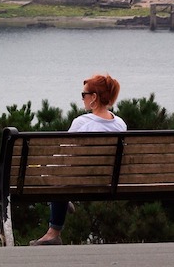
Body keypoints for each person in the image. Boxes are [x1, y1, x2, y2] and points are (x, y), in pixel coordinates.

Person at [29, 73, 127, 246]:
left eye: (84, 95)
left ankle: (53, 232)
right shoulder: (120, 124)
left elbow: (65, 156)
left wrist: (48, 166)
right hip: (109, 180)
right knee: (59, 175)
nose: (82, 98)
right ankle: (63, 200)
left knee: (54, 175)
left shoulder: (82, 123)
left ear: (94, 97)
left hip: (79, 180)